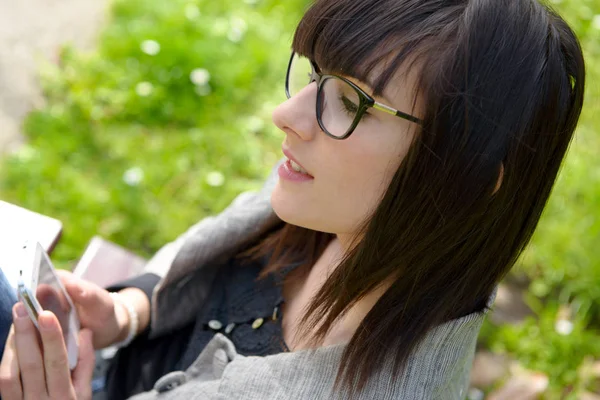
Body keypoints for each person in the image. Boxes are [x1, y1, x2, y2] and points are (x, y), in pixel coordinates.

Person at [0, 0, 586, 398]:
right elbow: (220, 248)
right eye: (315, 76)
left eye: (353, 103)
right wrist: (130, 312)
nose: (286, 116)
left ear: (465, 176)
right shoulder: (348, 216)